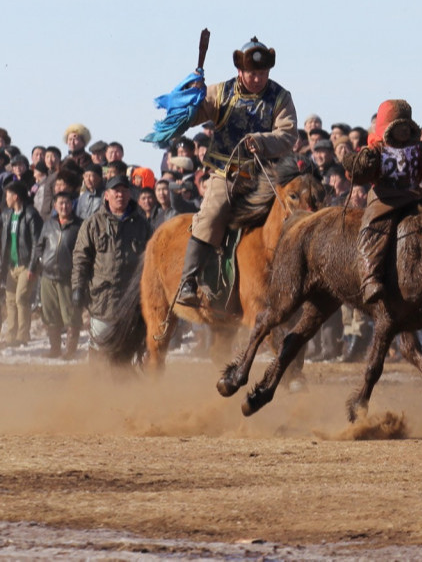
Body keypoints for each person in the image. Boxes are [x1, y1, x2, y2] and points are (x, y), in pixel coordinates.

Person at [175, 37, 298, 308]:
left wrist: (263, 141)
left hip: (265, 176)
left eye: (263, 73)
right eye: (253, 73)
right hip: (226, 173)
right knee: (212, 212)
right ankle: (189, 281)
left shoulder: (280, 98)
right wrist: (192, 98)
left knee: (291, 216)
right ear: (240, 71)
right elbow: (190, 118)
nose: (258, 79)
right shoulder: (220, 92)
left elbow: (288, 135)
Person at [351, 100, 422, 306]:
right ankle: (370, 278)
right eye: (397, 126)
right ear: (387, 129)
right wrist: (362, 166)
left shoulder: (419, 148)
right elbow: (359, 174)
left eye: (405, 126)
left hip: (413, 195)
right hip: (384, 198)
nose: (402, 131)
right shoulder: (375, 149)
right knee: (373, 231)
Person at [71, 175, 150, 347]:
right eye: (116, 191)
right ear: (106, 195)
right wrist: (77, 287)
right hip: (103, 301)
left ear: (130, 194)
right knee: (101, 352)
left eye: (124, 191)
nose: (120, 195)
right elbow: (80, 259)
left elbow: (152, 262)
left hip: (133, 304)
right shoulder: (93, 224)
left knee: (129, 353)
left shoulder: (142, 226)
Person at [36, 188, 82, 358]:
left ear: (72, 205)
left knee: (71, 316)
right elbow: (39, 245)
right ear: (55, 205)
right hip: (48, 276)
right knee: (50, 315)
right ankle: (55, 349)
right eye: (61, 203)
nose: (64, 206)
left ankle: (70, 350)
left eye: (67, 203)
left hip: (68, 278)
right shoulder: (48, 224)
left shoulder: (79, 225)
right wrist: (40, 261)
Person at [0, 181, 43, 347]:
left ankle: (23, 335)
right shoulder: (6, 215)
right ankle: (11, 335)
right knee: (10, 300)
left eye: (8, 194)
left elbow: (36, 243)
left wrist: (33, 267)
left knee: (21, 298)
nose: (6, 198)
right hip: (11, 266)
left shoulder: (31, 214)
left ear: (16, 196)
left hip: (26, 265)